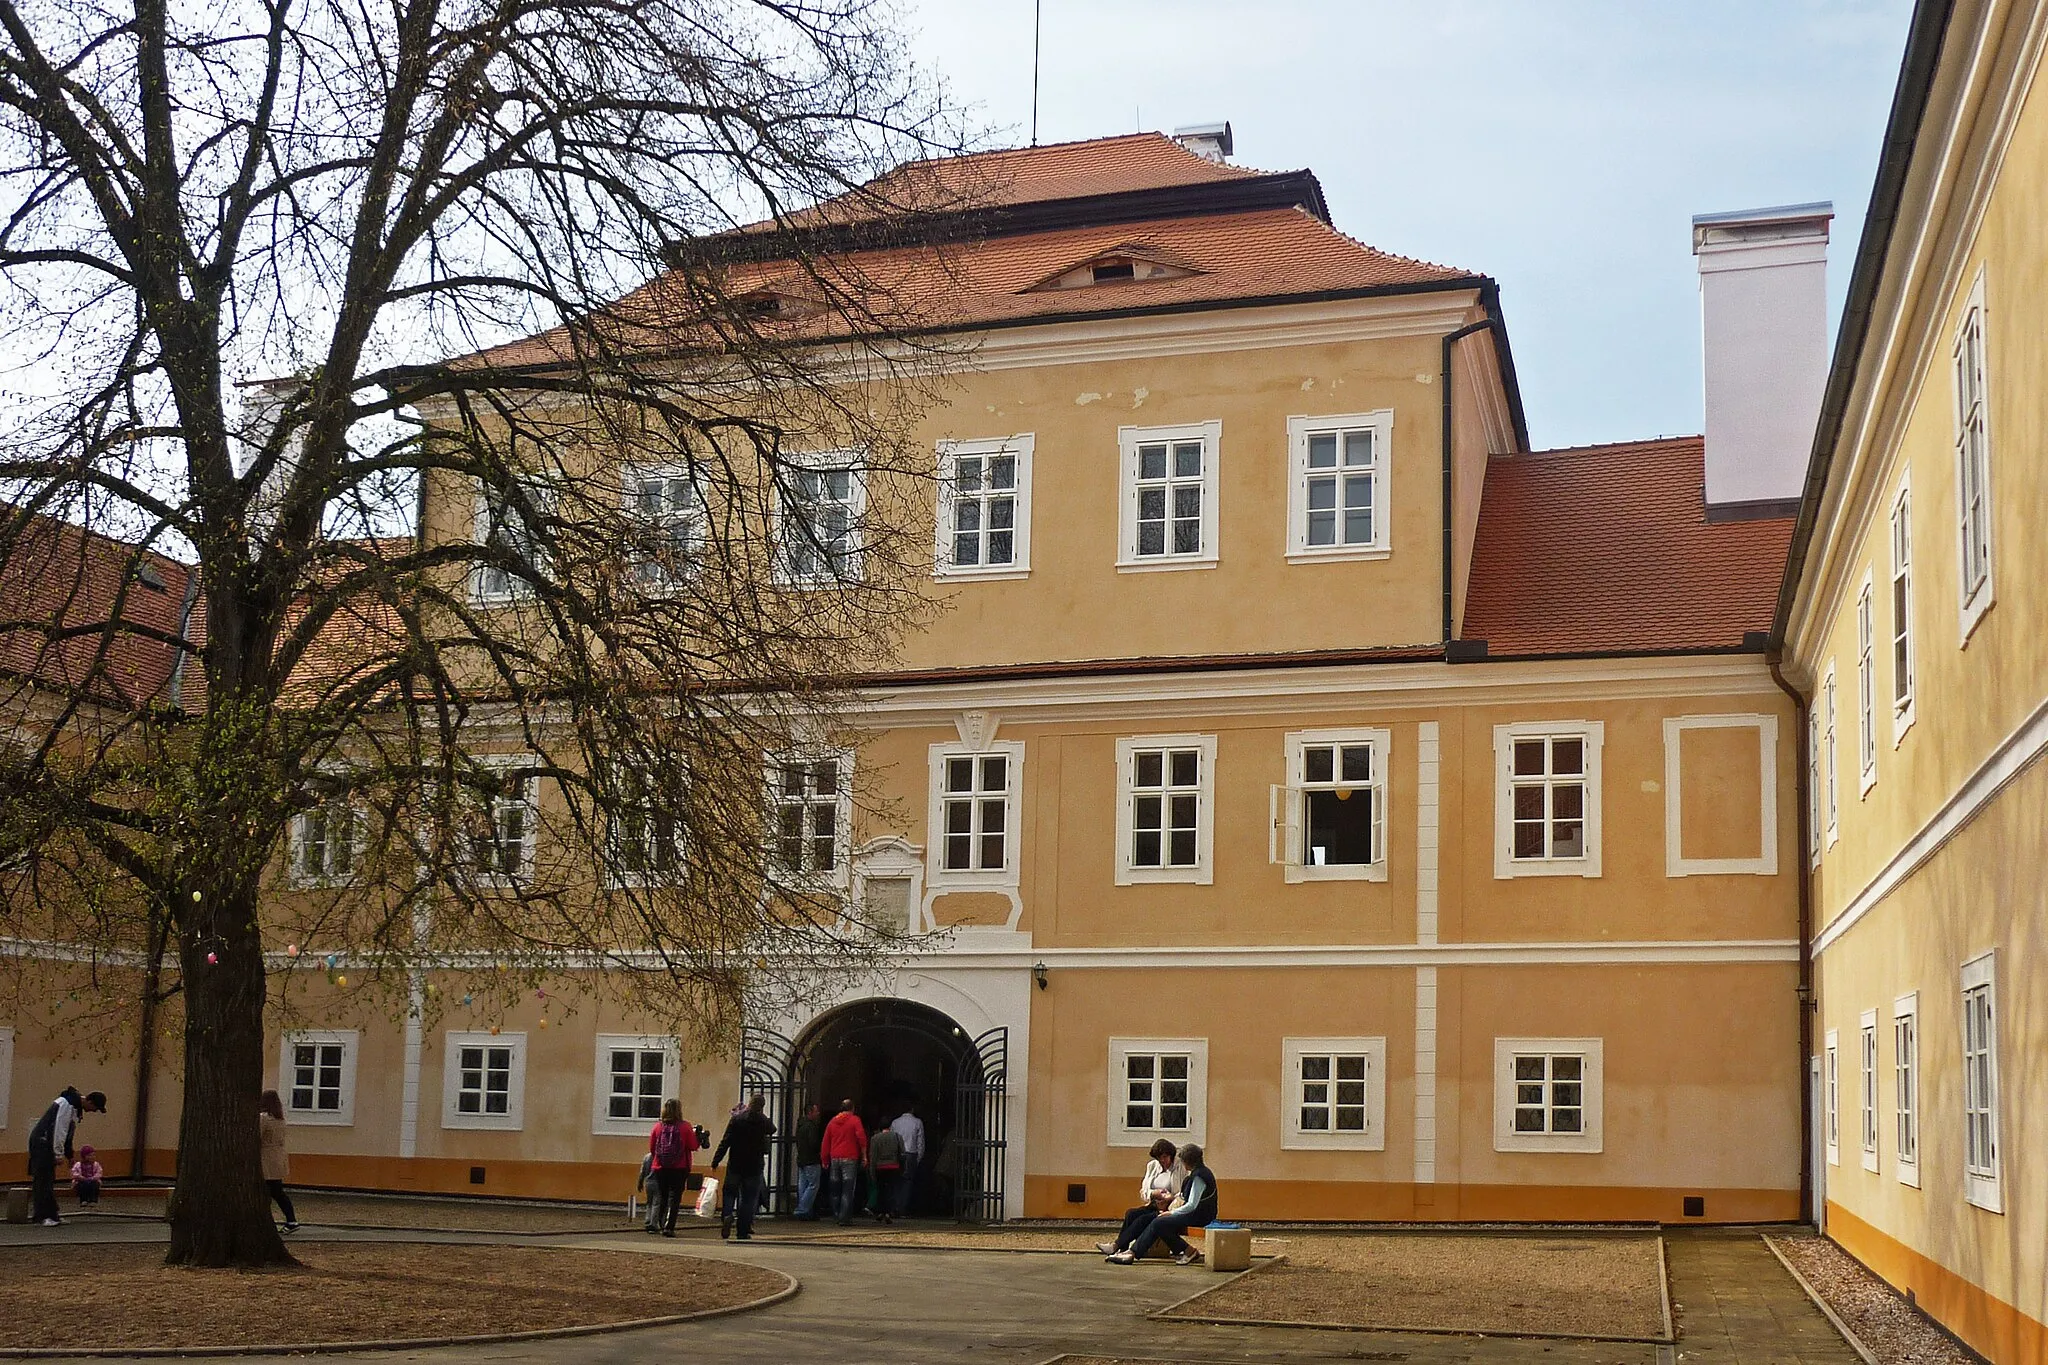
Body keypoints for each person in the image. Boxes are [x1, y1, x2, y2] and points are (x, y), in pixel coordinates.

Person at [1109, 1142, 1216, 1266]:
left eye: (1183, 1161)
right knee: (1159, 1222)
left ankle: (1132, 1253)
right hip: (1194, 1213)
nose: (1182, 1163)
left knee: (1159, 1222)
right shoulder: (1197, 1173)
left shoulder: (1200, 1176)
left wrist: (1171, 1212)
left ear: (1189, 1161)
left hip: (1200, 1215)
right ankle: (1188, 1250)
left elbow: (1192, 1204)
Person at [27, 1087, 105, 1227]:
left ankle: (52, 1214)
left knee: (48, 1180)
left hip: (46, 1143)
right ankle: (41, 1216)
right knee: (43, 1180)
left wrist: (69, 1155)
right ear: (89, 1101)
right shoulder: (66, 1104)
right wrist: (58, 1153)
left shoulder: (74, 1107)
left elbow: (68, 1133)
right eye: (95, 1108)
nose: (93, 1111)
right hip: (43, 1143)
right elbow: (59, 1131)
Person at [1097, 1138, 1181, 1256]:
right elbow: (1144, 1190)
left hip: (1168, 1208)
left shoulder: (1179, 1167)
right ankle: (1122, 1249)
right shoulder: (1152, 1166)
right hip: (1153, 1204)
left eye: (1165, 1157)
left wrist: (1170, 1198)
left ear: (1171, 1155)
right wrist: (1153, 1193)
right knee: (1131, 1213)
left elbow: (1182, 1193)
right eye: (1159, 1158)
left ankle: (1115, 1246)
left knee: (1142, 1220)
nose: (1162, 1161)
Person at [709, 1093, 774, 1240]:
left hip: (735, 1164)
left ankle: (727, 1215)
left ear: (749, 1103)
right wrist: (761, 1115)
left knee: (729, 1193)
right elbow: (773, 1129)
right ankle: (742, 1231)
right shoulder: (762, 1121)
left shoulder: (737, 1120)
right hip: (754, 1166)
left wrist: (716, 1160)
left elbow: (725, 1141)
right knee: (748, 1199)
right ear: (762, 1107)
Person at [648, 1097, 698, 1237]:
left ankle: (661, 1223)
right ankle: (669, 1227)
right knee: (675, 1198)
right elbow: (693, 1146)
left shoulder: (658, 1127)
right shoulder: (685, 1126)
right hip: (680, 1167)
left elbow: (652, 1148)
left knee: (662, 1196)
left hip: (660, 1166)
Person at [819, 1098, 867, 1227]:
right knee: (848, 1189)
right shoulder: (855, 1120)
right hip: (850, 1158)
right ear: (852, 1108)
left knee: (835, 1188)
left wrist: (824, 1159)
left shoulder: (832, 1122)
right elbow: (861, 1138)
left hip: (835, 1158)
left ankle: (836, 1214)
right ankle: (844, 1217)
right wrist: (864, 1155)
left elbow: (826, 1142)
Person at [258, 1090, 299, 1232]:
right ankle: (291, 1219)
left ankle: (290, 1220)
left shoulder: (263, 1118)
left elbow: (258, 1136)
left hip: (267, 1157)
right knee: (277, 1191)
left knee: (269, 1191)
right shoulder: (280, 1119)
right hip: (278, 1157)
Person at [888, 1107, 925, 1218]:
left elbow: (891, 1139)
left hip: (897, 1153)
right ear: (913, 1109)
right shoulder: (917, 1122)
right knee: (907, 1182)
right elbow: (920, 1142)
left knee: (896, 1182)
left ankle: (894, 1207)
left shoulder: (895, 1122)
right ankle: (903, 1209)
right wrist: (918, 1158)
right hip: (911, 1153)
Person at [866, 1117, 904, 1225]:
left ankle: (880, 1212)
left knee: (881, 1190)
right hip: (893, 1166)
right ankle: (888, 1212)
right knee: (891, 1190)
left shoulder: (875, 1138)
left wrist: (871, 1171)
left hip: (880, 1167)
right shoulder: (897, 1137)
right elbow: (903, 1152)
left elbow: (872, 1156)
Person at [791, 1102, 825, 1221]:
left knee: (803, 1186)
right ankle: (802, 1209)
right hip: (811, 1159)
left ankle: (806, 1211)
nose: (818, 1113)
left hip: (802, 1159)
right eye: (816, 1111)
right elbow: (813, 1143)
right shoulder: (811, 1127)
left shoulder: (800, 1125)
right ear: (810, 1112)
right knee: (813, 1185)